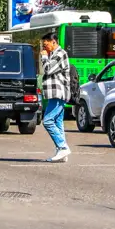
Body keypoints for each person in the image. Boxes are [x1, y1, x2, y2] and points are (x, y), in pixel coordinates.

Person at [40, 32, 72, 163]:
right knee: (58, 123)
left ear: (54, 42)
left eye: (46, 45)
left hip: (58, 93)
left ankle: (63, 147)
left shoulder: (60, 54)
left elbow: (47, 69)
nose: (44, 48)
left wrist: (44, 57)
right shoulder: (53, 54)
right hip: (56, 93)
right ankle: (62, 152)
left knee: (47, 121)